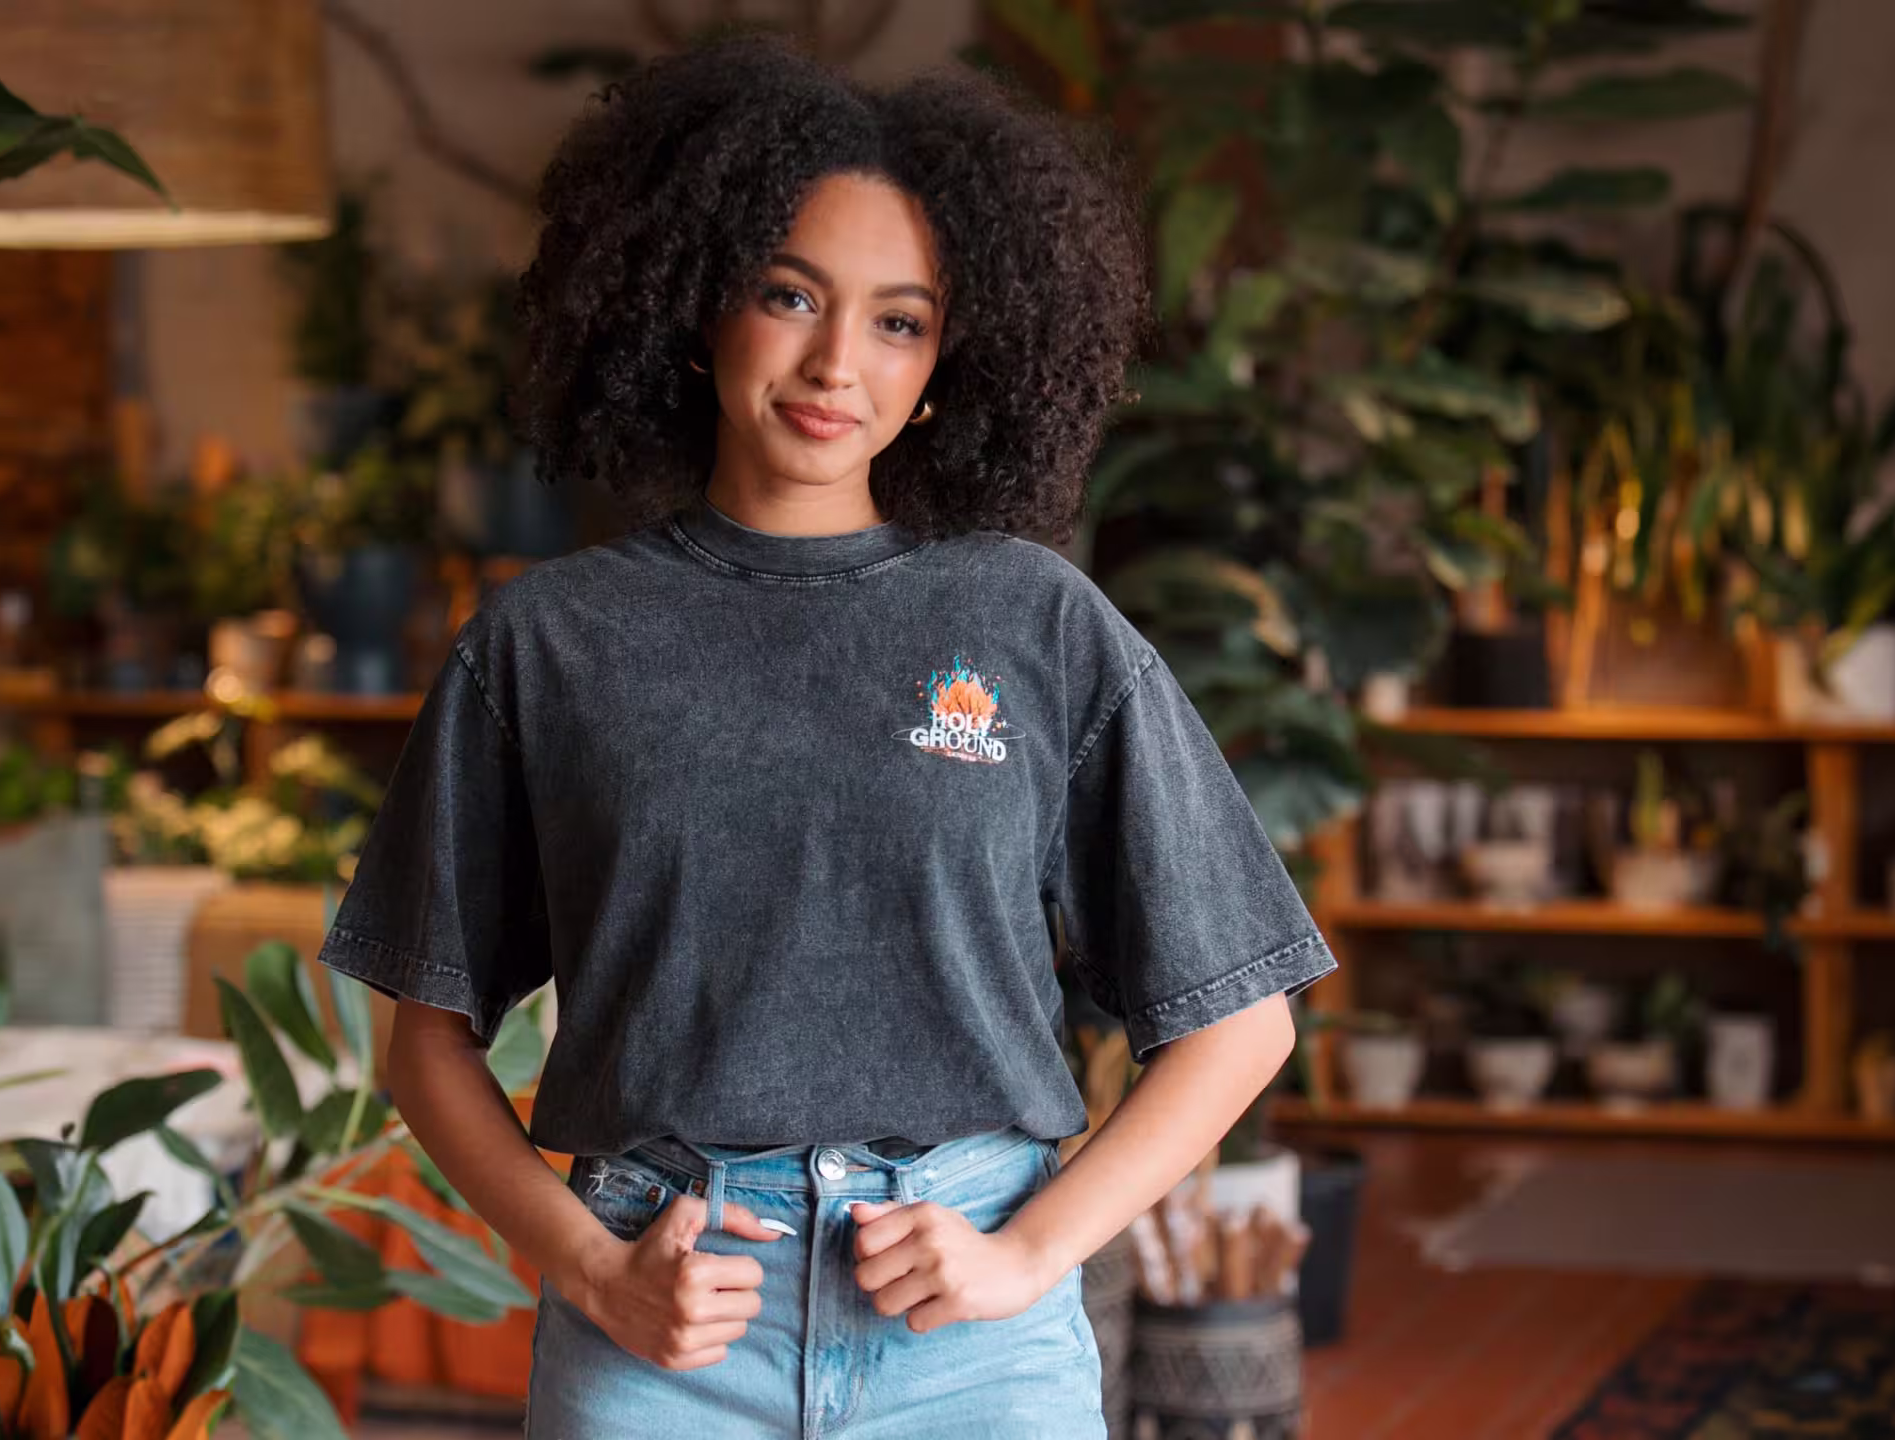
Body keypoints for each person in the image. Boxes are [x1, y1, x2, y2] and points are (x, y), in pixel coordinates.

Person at [316, 33, 1336, 1438]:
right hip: (666, 1331)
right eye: (789, 294)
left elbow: (1240, 1020)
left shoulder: (1034, 623)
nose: (836, 363)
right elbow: (423, 1047)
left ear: (952, 359)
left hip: (970, 1335)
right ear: (693, 304)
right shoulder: (549, 647)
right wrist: (592, 1268)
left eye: (901, 319)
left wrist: (1033, 1250)